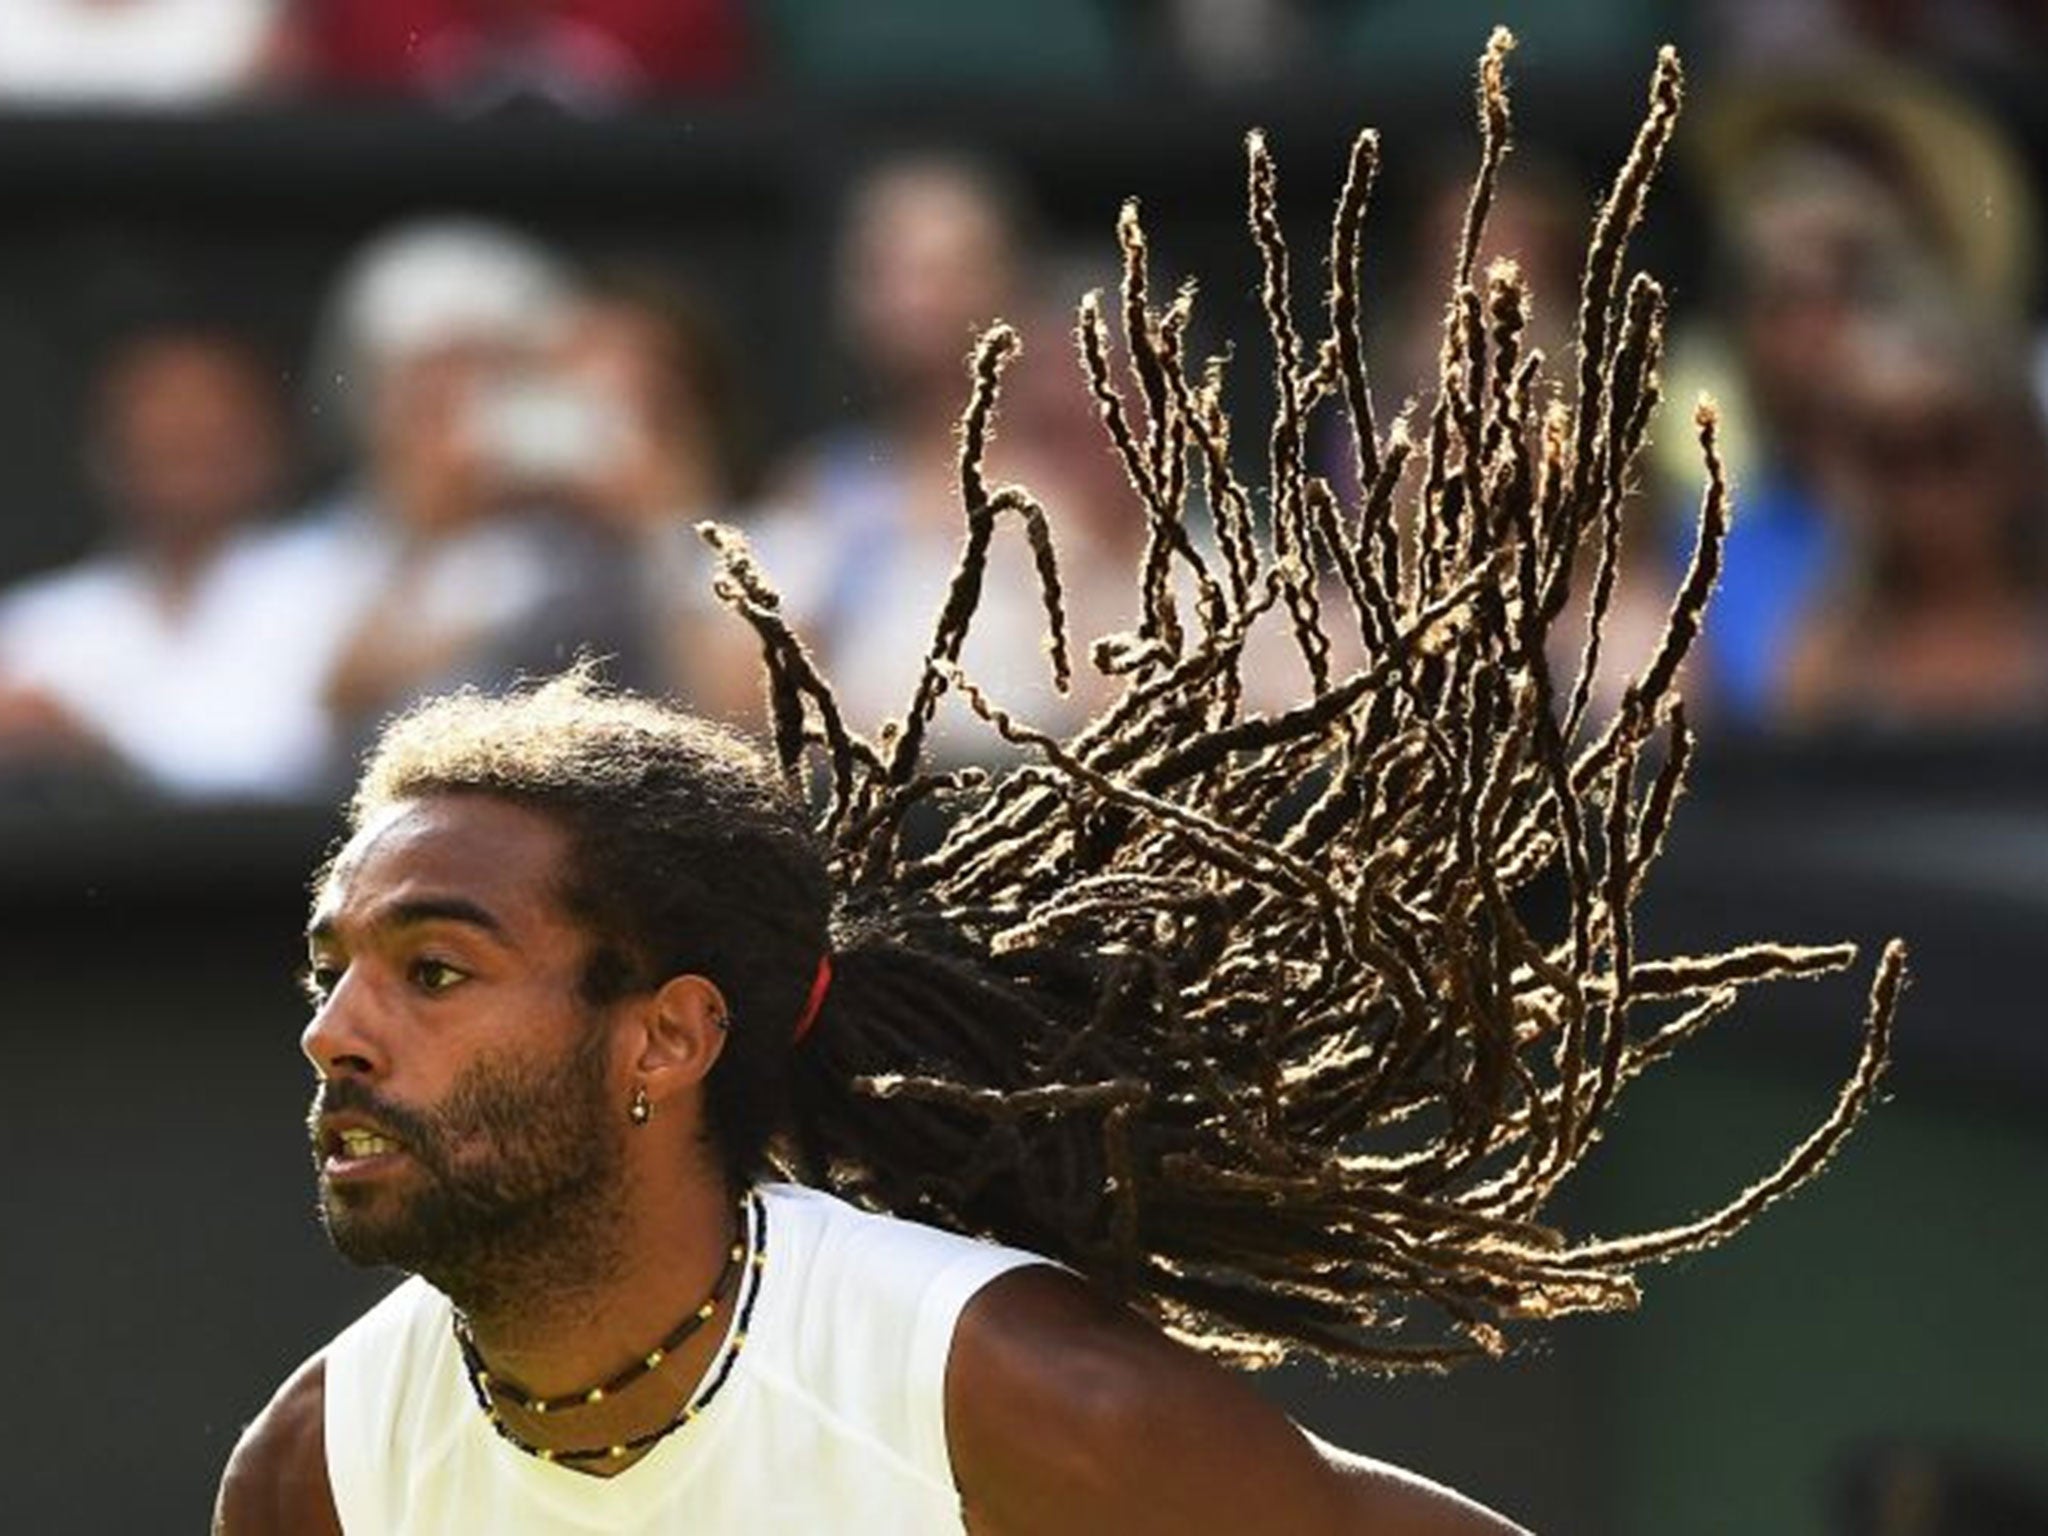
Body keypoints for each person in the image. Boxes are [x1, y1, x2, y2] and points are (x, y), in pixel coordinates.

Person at [216, 35, 1902, 1533]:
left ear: (667, 1036)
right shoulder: (317, 1477)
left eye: (433, 969)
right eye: (333, 968)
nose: (337, 1031)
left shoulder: (1008, 1401)